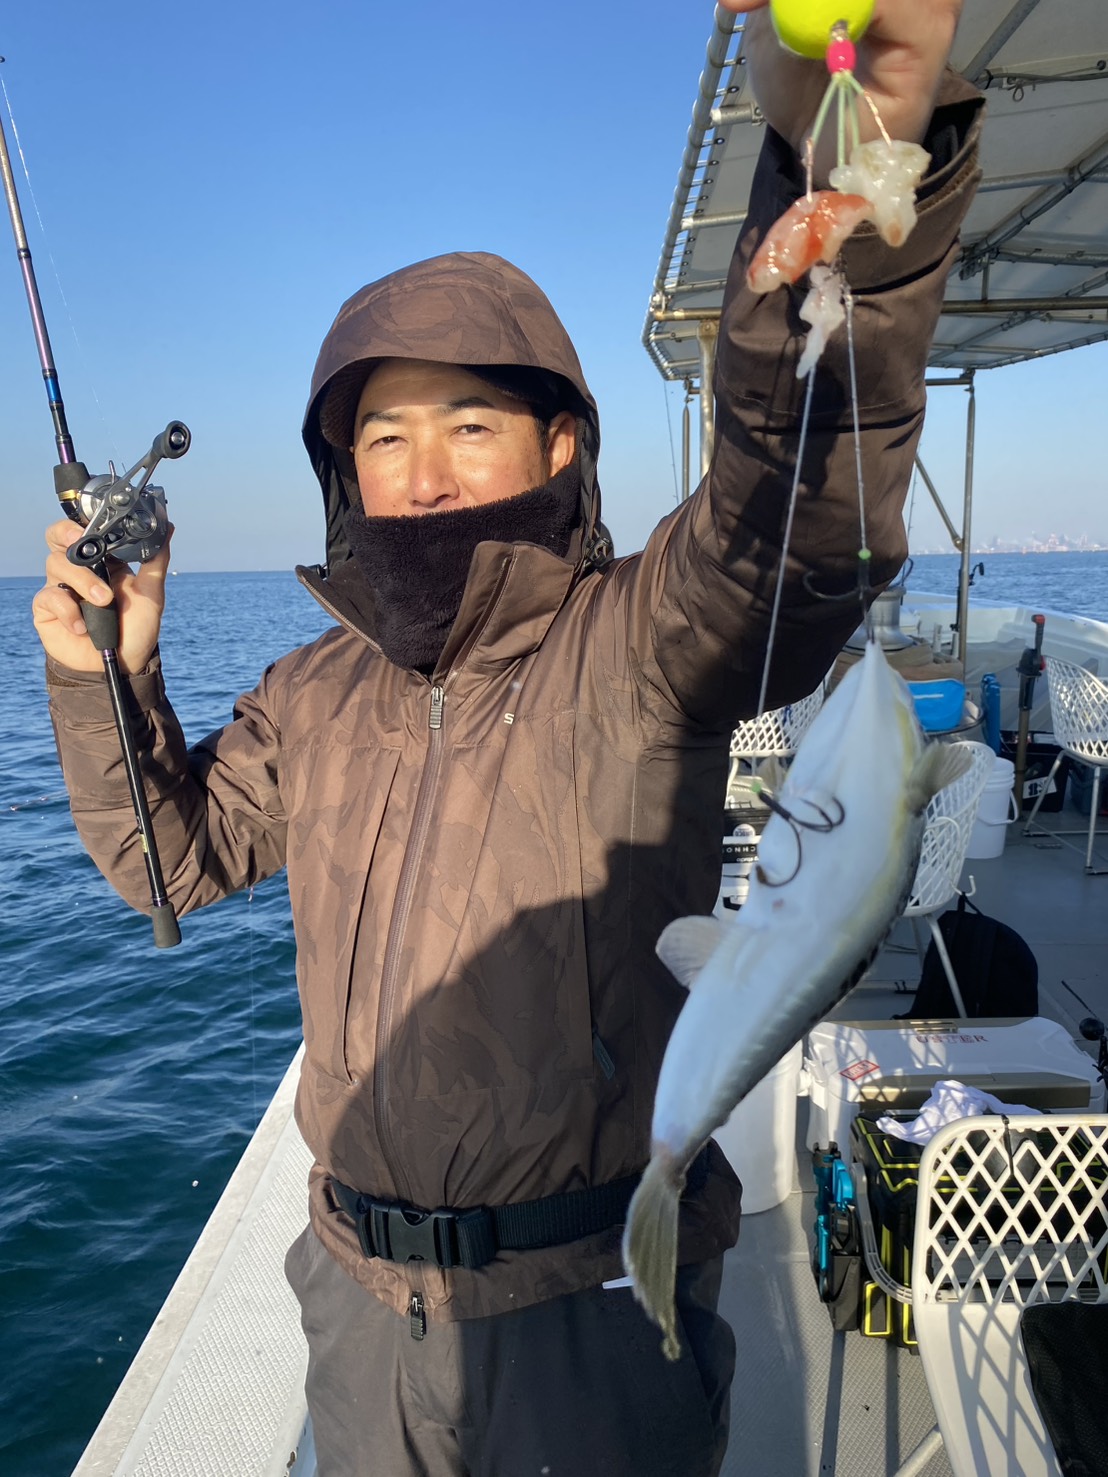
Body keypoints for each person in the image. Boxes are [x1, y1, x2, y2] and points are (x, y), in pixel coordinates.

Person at [34, 3, 978, 1473]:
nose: (420, 474)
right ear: (343, 475)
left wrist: (835, 167)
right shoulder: (312, 690)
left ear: (560, 446)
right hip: (358, 1313)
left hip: (589, 1312)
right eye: (383, 437)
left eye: (470, 424)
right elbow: (173, 863)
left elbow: (787, 514)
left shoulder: (641, 638)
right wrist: (111, 677)